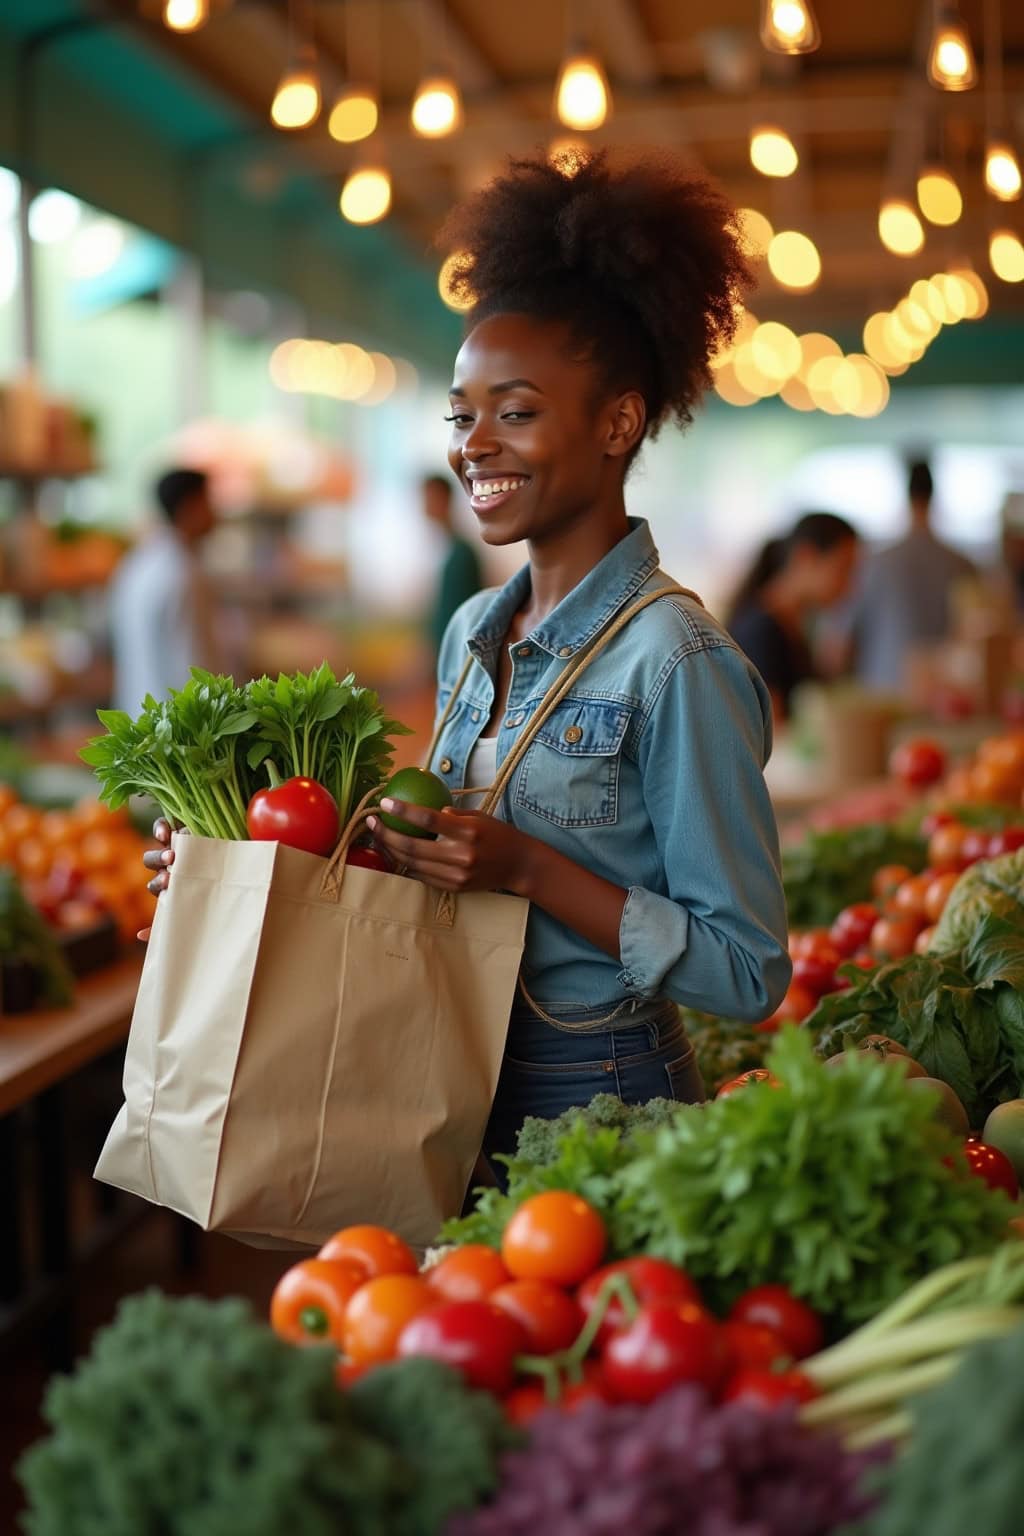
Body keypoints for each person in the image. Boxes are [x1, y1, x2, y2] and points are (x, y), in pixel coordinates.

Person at [144, 150, 791, 1167]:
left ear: (618, 421)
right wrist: (238, 867)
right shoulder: (473, 633)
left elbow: (746, 972)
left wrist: (532, 868)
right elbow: (425, 867)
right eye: (462, 415)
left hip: (604, 1091)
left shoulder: (678, 661)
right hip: (447, 1065)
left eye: (516, 411)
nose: (473, 444)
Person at [847, 458, 975, 692]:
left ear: (906, 496)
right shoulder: (961, 564)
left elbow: (846, 635)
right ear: (933, 496)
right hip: (943, 689)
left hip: (883, 686)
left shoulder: (878, 563)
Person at [727, 512, 860, 723]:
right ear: (805, 557)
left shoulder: (798, 624)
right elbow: (769, 731)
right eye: (844, 569)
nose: (850, 586)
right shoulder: (760, 631)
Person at [110, 468, 220, 715]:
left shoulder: (138, 561)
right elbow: (193, 666)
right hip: (176, 730)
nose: (216, 512)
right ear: (189, 507)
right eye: (209, 502)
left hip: (140, 718)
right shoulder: (182, 574)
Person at [422, 472, 483, 660]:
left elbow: (462, 612)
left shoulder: (462, 554)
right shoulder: (447, 548)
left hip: (457, 653)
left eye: (428, 498)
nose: (424, 505)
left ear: (443, 499)